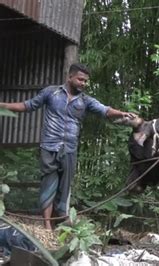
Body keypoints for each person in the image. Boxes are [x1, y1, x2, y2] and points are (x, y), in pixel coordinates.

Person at [0, 63, 135, 230]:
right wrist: (3, 106)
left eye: (86, 81)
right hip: (49, 146)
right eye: (80, 79)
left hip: (70, 149)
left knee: (64, 188)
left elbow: (105, 110)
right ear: (70, 77)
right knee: (48, 184)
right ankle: (47, 226)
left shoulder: (85, 101)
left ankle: (61, 224)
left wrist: (121, 113)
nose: (83, 83)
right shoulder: (51, 92)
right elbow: (27, 105)